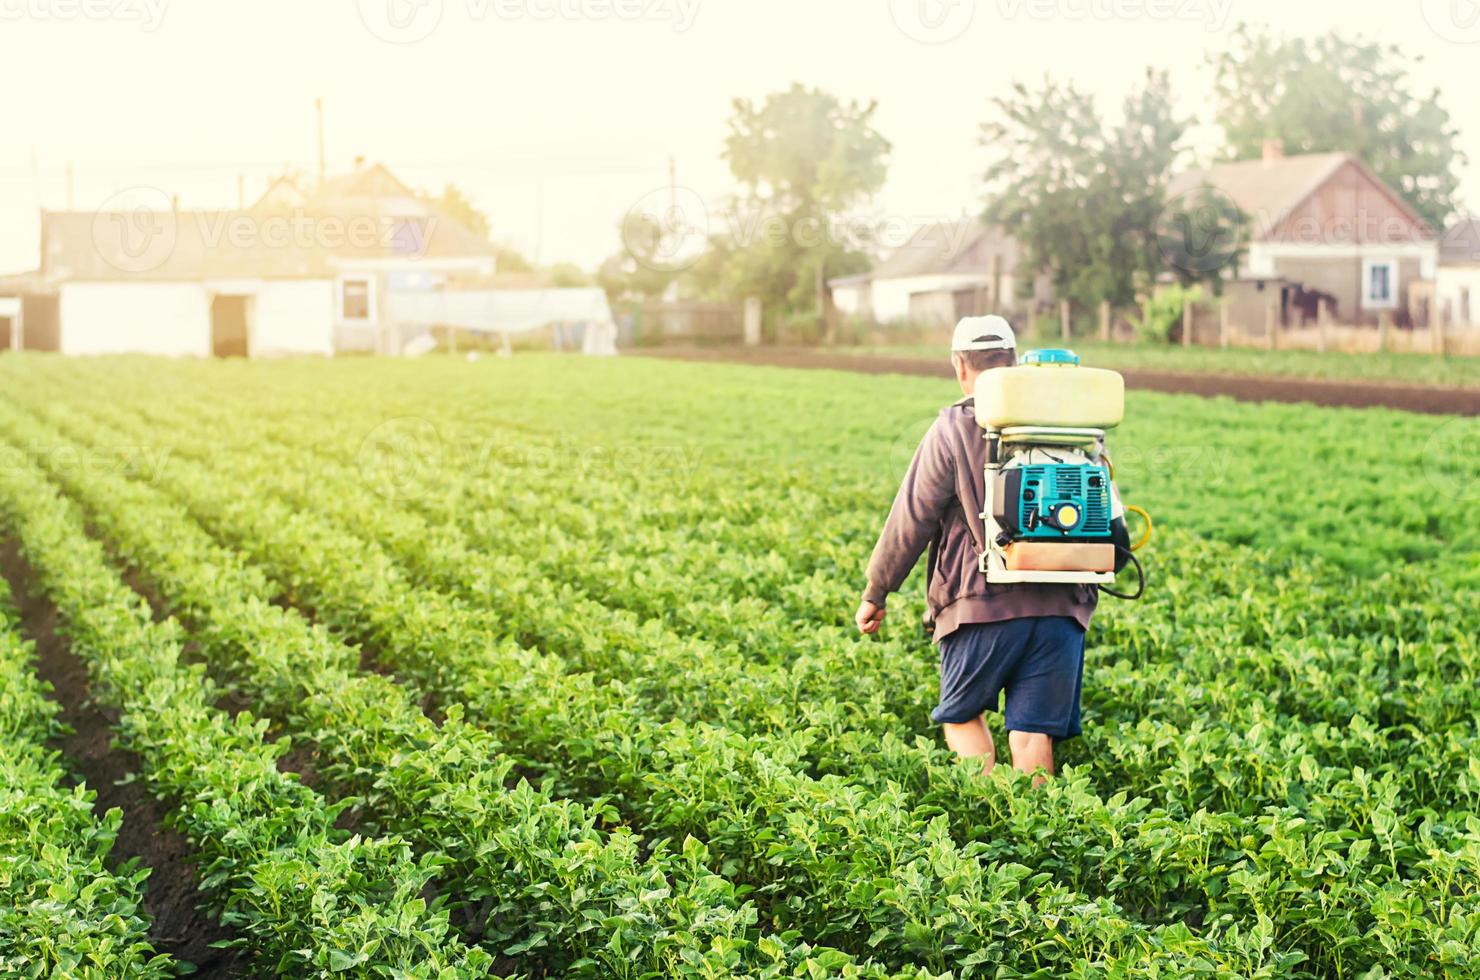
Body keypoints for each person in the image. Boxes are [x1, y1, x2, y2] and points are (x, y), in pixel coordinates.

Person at [855, 315, 1099, 779]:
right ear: (1012, 361)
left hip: (980, 604)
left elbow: (914, 517)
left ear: (959, 366)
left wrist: (876, 590)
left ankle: (987, 813)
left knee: (961, 716)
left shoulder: (954, 427)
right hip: (1061, 602)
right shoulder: (1067, 421)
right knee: (1032, 735)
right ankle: (1041, 836)